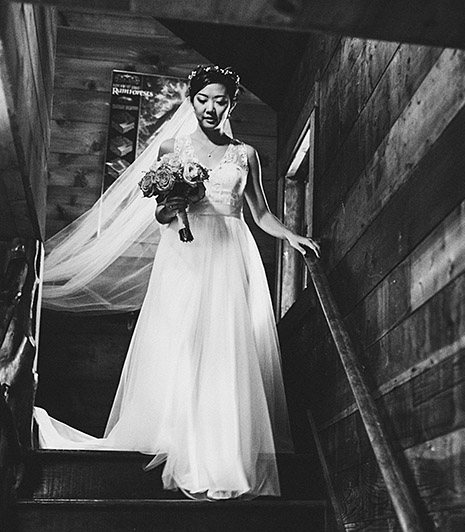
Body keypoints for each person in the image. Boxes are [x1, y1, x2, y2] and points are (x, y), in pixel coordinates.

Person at [34, 65, 319, 501]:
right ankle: (178, 437)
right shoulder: (174, 146)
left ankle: (222, 452)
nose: (210, 108)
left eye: (220, 100)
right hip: (185, 257)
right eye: (203, 99)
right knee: (184, 344)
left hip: (228, 252)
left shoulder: (246, 155)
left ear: (231, 104)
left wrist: (292, 235)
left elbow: (259, 214)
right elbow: (161, 215)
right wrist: (176, 204)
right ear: (192, 100)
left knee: (224, 348)